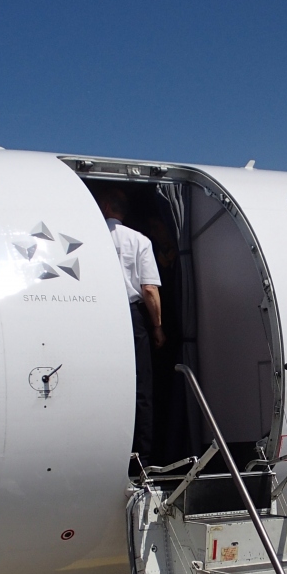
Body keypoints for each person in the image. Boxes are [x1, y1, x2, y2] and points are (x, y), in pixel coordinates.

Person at [96, 189, 164, 470]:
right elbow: (149, 289)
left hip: (98, 314)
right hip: (131, 316)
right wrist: (157, 327)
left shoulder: (91, 239)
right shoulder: (139, 240)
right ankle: (141, 459)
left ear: (106, 205)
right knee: (141, 388)